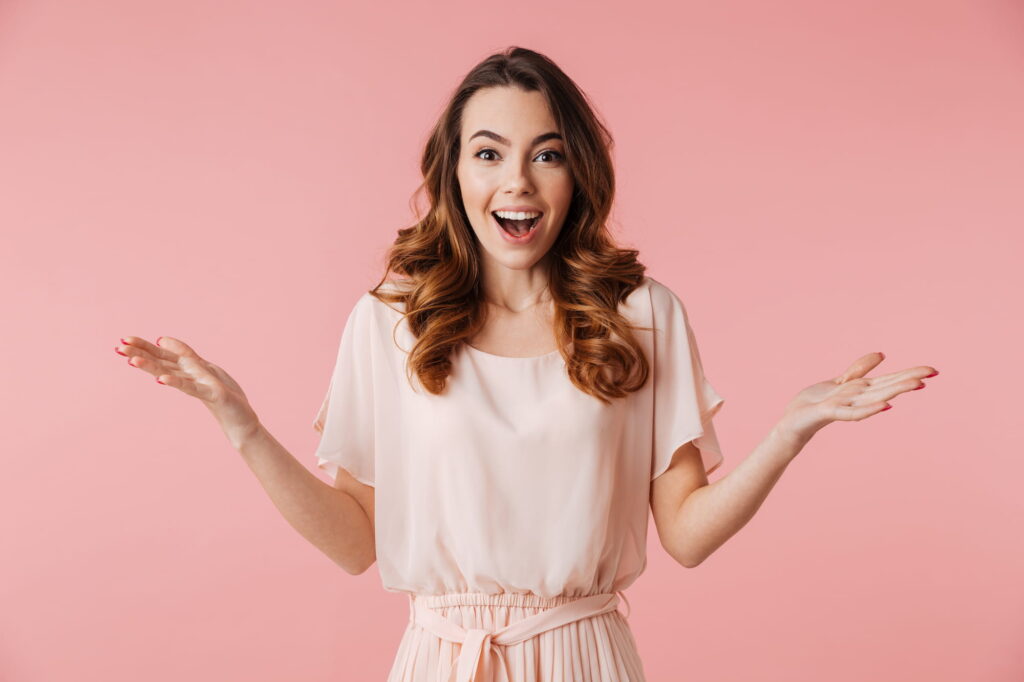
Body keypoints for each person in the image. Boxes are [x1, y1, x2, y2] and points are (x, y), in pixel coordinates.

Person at [114, 46, 938, 682]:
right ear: (453, 171)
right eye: (488, 153)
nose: (518, 181)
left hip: (586, 654)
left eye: (546, 154)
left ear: (577, 171)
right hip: (441, 661)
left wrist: (790, 432)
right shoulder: (387, 325)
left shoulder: (641, 316)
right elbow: (355, 542)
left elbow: (685, 535)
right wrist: (243, 426)